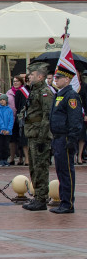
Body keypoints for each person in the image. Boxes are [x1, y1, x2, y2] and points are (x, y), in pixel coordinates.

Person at [48, 66, 81, 214]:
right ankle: (63, 200)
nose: (56, 80)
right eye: (55, 78)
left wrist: (72, 139)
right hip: (57, 137)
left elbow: (75, 119)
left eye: (58, 78)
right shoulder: (59, 94)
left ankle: (68, 203)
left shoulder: (71, 96)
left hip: (65, 137)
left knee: (67, 171)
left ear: (67, 79)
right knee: (61, 171)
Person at [0, 94, 14, 167]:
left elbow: (11, 120)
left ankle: (5, 159)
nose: (1, 101)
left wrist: (8, 129)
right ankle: (0, 159)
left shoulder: (9, 110)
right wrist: (3, 128)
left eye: (3, 100)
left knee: (6, 146)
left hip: (8, 132)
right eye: (0, 100)